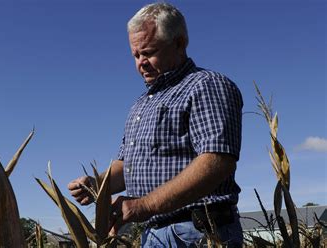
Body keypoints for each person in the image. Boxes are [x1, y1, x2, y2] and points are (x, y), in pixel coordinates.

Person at [68, 3, 244, 247]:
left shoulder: (206, 85)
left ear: (180, 43)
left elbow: (217, 162)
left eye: (149, 52)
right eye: (136, 55)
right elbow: (127, 166)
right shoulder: (141, 104)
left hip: (199, 232)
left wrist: (143, 205)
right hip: (153, 234)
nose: (141, 63)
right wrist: (97, 184)